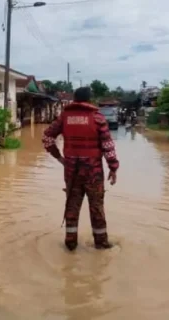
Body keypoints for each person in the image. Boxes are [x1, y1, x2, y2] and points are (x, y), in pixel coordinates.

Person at [42, 87, 120, 251]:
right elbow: (108, 146)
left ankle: (70, 244)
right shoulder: (98, 118)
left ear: (75, 99)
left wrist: (59, 158)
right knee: (96, 206)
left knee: (72, 204)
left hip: (71, 170)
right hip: (94, 171)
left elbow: (47, 138)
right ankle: (101, 244)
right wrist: (113, 167)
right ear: (89, 100)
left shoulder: (64, 117)